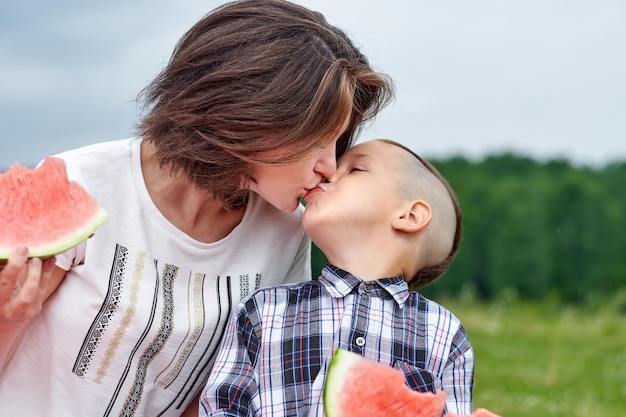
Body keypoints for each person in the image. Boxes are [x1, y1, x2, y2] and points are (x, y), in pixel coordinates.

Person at [0, 1, 393, 416]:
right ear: (251, 113)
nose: (329, 167)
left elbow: (218, 394)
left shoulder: (287, 233)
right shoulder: (81, 182)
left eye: (338, 142)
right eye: (318, 138)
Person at [199, 139, 474, 416]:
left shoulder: (444, 333)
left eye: (356, 169)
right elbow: (222, 406)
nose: (328, 172)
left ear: (410, 215)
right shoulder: (263, 310)